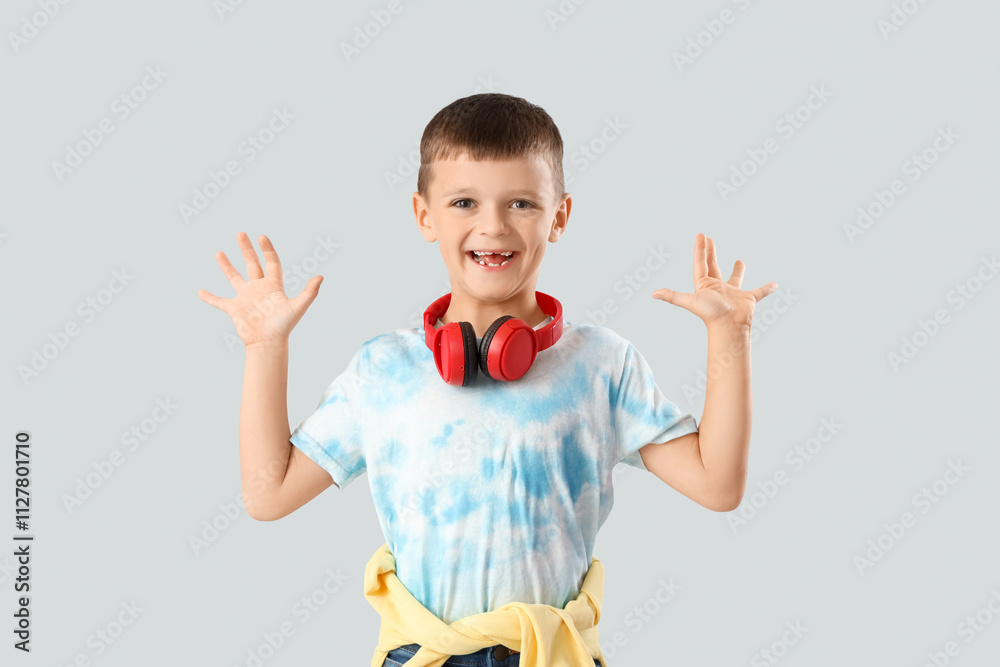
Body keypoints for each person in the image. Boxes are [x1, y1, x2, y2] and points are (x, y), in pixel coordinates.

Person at [198, 93, 778, 666]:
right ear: (425, 215)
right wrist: (265, 347)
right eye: (464, 203)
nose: (493, 226)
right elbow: (268, 494)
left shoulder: (603, 363)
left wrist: (731, 333)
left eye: (521, 203)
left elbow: (717, 485)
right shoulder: (384, 370)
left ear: (560, 216)